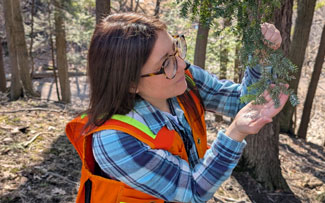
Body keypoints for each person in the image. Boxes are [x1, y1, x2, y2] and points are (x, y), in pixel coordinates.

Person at [66, 12, 288, 203]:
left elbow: (241, 101)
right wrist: (235, 133)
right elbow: (191, 191)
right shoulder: (114, 140)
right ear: (130, 82)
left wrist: (261, 58)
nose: (181, 64)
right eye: (166, 63)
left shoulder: (183, 81)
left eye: (176, 49)